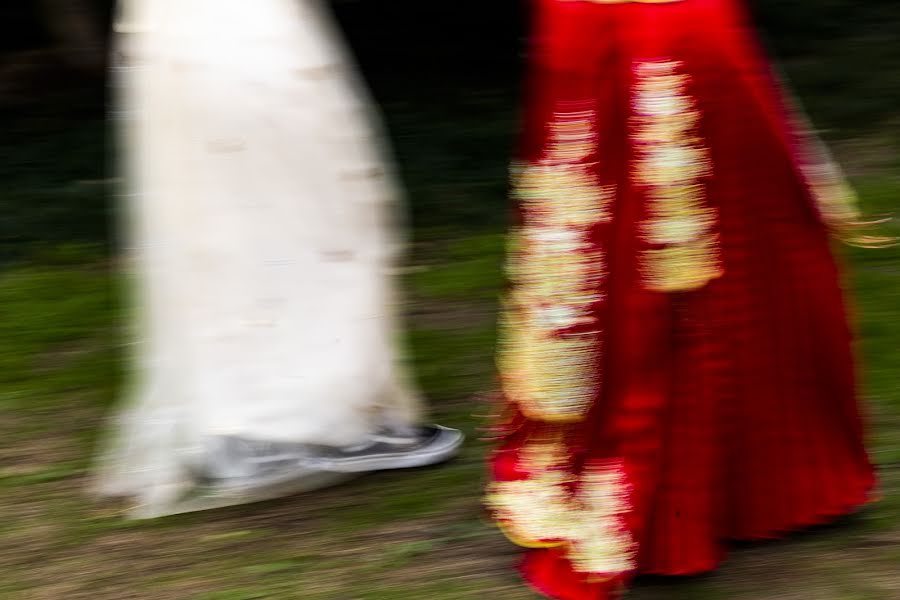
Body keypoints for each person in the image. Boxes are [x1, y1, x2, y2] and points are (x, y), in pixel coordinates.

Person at [486, 0, 891, 597]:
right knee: (668, 247)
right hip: (644, 28)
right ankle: (707, 499)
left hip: (634, 24)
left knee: (692, 240)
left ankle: (742, 494)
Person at [95, 0, 462, 519]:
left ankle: (253, 421)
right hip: (235, 34)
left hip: (189, 35)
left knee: (233, 214)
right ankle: (317, 421)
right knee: (310, 205)